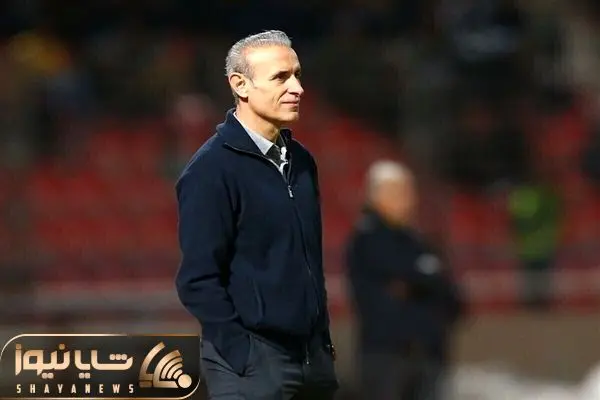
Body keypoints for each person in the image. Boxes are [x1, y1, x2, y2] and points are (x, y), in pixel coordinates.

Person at [175, 30, 338, 400]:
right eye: (281, 77)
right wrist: (242, 353)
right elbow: (197, 280)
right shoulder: (210, 170)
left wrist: (322, 341)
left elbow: (310, 264)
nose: (297, 88)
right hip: (254, 366)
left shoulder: (302, 161)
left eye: (297, 75)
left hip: (312, 362)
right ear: (240, 85)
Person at [345, 160, 463, 400]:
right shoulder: (368, 239)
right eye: (397, 191)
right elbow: (407, 272)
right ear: (375, 196)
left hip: (428, 353)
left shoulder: (419, 241)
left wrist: (423, 284)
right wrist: (427, 279)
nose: (408, 199)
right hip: (387, 355)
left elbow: (449, 293)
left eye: (409, 191)